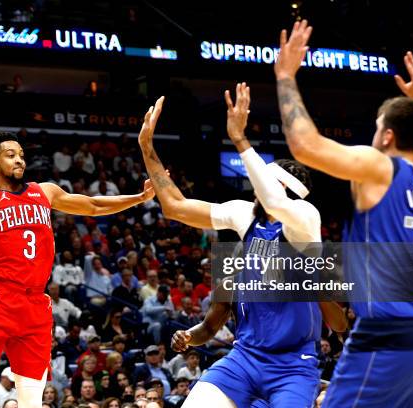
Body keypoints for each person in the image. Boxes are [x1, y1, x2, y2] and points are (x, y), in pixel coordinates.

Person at [0, 120, 157, 408]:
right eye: (11, 154)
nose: (19, 159)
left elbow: (92, 205)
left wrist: (139, 197)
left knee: (32, 402)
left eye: (21, 154)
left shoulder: (45, 192)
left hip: (35, 304)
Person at [274, 20, 413, 407]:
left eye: (378, 128)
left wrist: (286, 76)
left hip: (387, 336)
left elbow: (304, 145)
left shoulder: (379, 168)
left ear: (387, 135)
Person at [137, 90, 347, 407]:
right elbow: (175, 207)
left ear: (283, 190)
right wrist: (147, 148)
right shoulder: (245, 215)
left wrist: (239, 138)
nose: (255, 188)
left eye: (264, 181)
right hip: (245, 359)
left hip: (292, 366)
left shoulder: (305, 221)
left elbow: (339, 322)